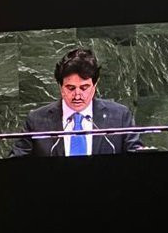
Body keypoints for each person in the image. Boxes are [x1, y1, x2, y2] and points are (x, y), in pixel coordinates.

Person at [10, 48, 142, 157]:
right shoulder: (36, 120)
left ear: (94, 85)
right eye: (71, 88)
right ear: (60, 87)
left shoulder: (119, 116)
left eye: (84, 88)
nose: (77, 95)